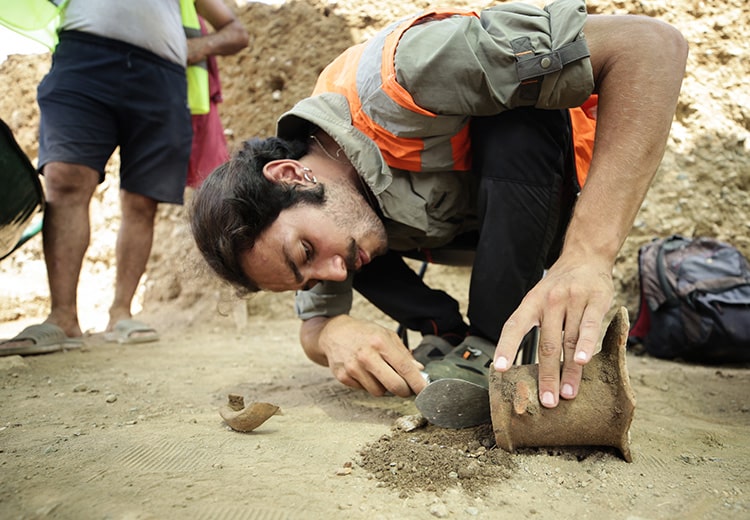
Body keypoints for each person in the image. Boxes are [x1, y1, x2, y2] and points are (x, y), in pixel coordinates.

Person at [190, 0, 688, 420]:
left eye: (304, 250)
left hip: (567, 180)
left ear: (292, 175)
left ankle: (494, 341)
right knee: (353, 240)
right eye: (308, 277)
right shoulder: (325, 192)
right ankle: (450, 337)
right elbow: (313, 328)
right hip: (471, 217)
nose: (332, 272)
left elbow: (652, 46)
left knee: (517, 120)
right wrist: (335, 333)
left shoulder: (412, 73)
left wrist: (587, 255)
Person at [0, 0, 248, 356]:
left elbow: (236, 31)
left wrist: (192, 48)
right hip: (83, 57)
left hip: (161, 75)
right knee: (65, 179)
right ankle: (62, 317)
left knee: (141, 199)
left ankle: (122, 312)